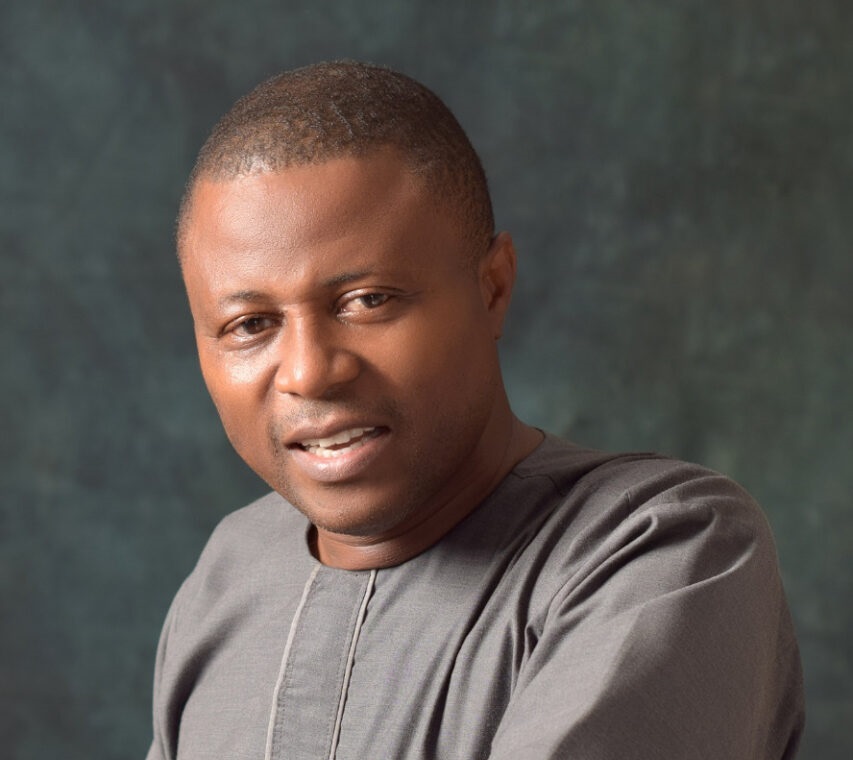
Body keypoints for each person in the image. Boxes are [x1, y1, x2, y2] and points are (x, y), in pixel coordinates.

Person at [146, 60, 804, 760]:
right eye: (250, 325)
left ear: (491, 287)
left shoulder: (663, 549)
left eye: (367, 300)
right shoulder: (228, 576)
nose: (310, 372)